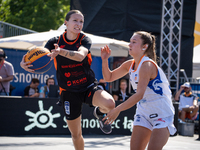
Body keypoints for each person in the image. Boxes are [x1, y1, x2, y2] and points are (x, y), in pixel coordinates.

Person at [20, 10, 115, 150]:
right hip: (68, 91)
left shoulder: (84, 39)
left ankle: (99, 113)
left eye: (81, 21)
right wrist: (25, 64)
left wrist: (61, 52)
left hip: (87, 86)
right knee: (76, 135)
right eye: (75, 20)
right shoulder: (54, 42)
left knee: (110, 104)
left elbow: (80, 56)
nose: (78, 24)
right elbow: (41, 56)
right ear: (66, 22)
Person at [101, 31, 176, 150]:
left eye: (134, 42)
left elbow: (139, 94)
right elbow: (108, 77)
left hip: (162, 113)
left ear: (144, 47)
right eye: (130, 41)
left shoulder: (146, 65)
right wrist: (105, 60)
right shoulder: (130, 64)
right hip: (144, 113)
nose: (129, 44)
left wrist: (117, 109)